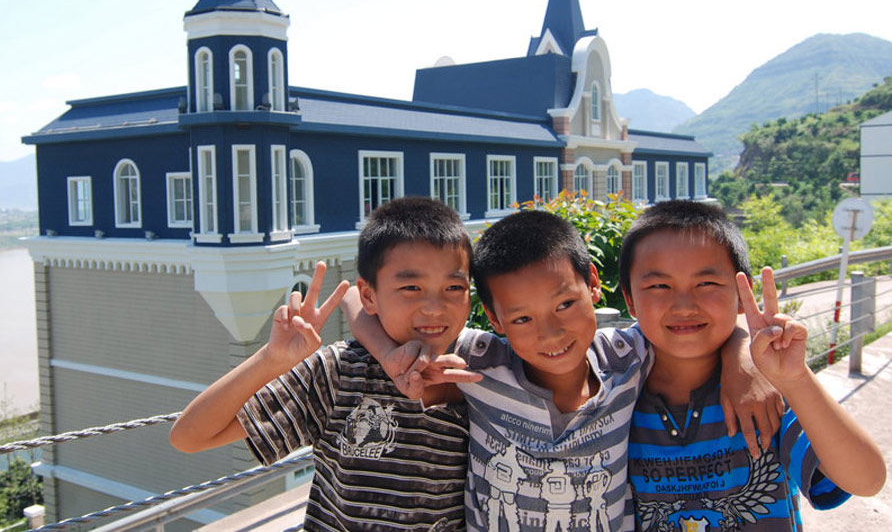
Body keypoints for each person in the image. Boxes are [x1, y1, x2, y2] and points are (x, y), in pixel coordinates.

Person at [346, 207, 780, 532]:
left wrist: (742, 355)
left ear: (593, 283)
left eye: (566, 304)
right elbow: (353, 300)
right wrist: (387, 355)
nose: (550, 333)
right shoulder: (481, 362)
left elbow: (697, 324)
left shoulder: (626, 357)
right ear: (495, 319)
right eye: (522, 318)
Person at [170, 196, 482, 532]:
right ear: (370, 296)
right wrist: (270, 359)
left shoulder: (484, 372)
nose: (434, 307)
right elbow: (189, 437)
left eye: (453, 287)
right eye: (411, 287)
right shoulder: (341, 373)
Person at [620, 200, 885, 531]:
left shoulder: (766, 397)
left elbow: (866, 480)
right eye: (659, 286)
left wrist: (796, 379)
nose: (684, 305)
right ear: (630, 300)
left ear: (742, 292)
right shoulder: (615, 401)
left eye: (707, 284)